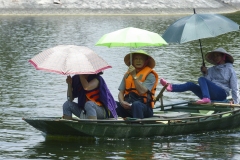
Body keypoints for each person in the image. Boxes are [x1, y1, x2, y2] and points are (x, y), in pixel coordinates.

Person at [160, 47, 239, 104]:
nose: (215, 58)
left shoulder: (230, 70)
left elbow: (235, 88)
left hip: (222, 94)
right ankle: (171, 87)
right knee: (190, 85)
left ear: (223, 57)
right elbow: (208, 83)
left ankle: (206, 98)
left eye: (217, 55)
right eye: (214, 56)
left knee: (201, 79)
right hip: (210, 94)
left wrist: (235, 102)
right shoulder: (211, 69)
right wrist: (205, 73)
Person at [116, 50, 159, 119]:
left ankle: (138, 125)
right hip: (128, 106)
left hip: (144, 107)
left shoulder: (150, 75)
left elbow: (142, 91)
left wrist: (134, 76)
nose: (138, 61)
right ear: (132, 61)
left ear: (146, 61)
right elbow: (121, 92)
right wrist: (122, 102)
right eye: (136, 59)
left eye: (141, 59)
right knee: (113, 104)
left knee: (136, 105)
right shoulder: (127, 75)